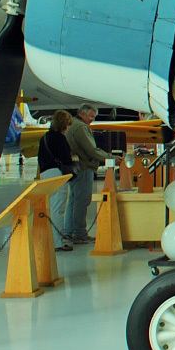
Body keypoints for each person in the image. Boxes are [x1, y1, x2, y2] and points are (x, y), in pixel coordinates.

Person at [64, 103, 109, 244]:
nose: (92, 119)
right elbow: (91, 150)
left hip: (75, 168)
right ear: (82, 114)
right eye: (91, 116)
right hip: (83, 168)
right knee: (81, 201)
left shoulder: (73, 125)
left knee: (73, 201)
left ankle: (69, 231)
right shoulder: (81, 127)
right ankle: (79, 233)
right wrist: (110, 158)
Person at [37, 110, 76, 252]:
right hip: (57, 174)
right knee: (58, 208)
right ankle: (57, 242)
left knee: (52, 206)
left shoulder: (45, 137)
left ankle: (52, 239)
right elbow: (66, 158)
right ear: (64, 124)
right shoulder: (60, 138)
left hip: (45, 174)